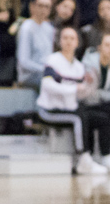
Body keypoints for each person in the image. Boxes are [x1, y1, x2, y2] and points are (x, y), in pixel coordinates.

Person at [37, 26, 108, 176]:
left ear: (77, 43)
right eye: (65, 38)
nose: (69, 41)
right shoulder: (53, 60)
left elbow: (80, 95)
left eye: (72, 38)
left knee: (101, 118)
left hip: (70, 108)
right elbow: (47, 85)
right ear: (59, 41)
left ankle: (105, 156)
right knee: (79, 117)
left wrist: (88, 87)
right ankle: (83, 159)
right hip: (49, 110)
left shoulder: (79, 67)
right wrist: (74, 88)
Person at [75, 32, 110, 171]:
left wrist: (101, 95)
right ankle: (104, 155)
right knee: (104, 116)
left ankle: (106, 156)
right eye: (107, 45)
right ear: (100, 47)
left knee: (106, 115)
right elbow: (88, 93)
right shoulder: (88, 64)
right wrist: (103, 95)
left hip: (102, 105)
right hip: (85, 104)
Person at [16, 0, 55, 89]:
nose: (43, 10)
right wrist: (44, 70)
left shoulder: (49, 29)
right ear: (32, 6)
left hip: (45, 74)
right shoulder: (26, 28)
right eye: (40, 5)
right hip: (29, 77)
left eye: (47, 7)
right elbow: (23, 61)